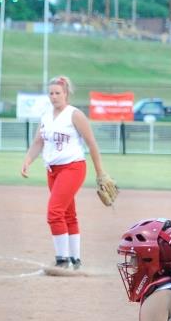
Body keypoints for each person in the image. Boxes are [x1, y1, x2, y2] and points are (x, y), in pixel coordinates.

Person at [20, 75, 110, 270]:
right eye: (51, 93)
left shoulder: (74, 114)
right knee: (68, 214)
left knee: (54, 212)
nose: (54, 96)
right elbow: (38, 142)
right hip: (52, 170)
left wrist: (100, 172)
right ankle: (75, 260)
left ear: (66, 93)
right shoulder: (45, 116)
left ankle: (62, 260)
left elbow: (92, 143)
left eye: (57, 93)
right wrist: (28, 160)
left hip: (73, 167)